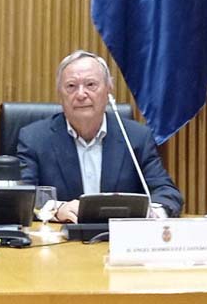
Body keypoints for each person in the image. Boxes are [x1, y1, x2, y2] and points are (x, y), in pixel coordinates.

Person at [16, 50, 184, 222]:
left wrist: (152, 213)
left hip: (119, 241)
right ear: (60, 93)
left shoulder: (136, 137)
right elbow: (20, 197)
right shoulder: (34, 139)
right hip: (62, 242)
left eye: (90, 85)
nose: (81, 94)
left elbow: (167, 193)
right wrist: (57, 209)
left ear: (108, 90)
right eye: (71, 86)